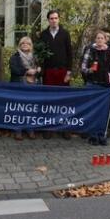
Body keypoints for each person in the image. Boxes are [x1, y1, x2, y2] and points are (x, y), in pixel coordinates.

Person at [39, 9, 74, 140]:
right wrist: (41, 70)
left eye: (56, 18)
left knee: (64, 100)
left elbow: (70, 54)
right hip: (48, 72)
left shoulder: (65, 34)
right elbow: (40, 54)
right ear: (48, 20)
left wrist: (69, 72)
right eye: (51, 18)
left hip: (62, 71)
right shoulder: (43, 35)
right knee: (48, 100)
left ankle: (65, 128)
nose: (54, 20)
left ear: (59, 19)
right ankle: (49, 127)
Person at [81, 31, 110, 145]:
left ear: (105, 40)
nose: (99, 40)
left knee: (104, 111)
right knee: (92, 110)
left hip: (105, 85)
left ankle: (102, 134)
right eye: (97, 38)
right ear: (95, 40)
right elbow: (83, 67)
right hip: (92, 83)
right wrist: (89, 70)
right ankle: (93, 136)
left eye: (102, 38)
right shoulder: (90, 50)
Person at [9, 36, 41, 140]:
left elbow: (40, 70)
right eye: (23, 43)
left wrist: (38, 70)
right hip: (19, 84)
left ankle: (30, 129)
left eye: (27, 43)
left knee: (31, 108)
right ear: (20, 45)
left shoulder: (35, 57)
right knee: (19, 108)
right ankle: (18, 131)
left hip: (33, 84)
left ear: (31, 46)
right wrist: (27, 71)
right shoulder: (15, 57)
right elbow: (14, 70)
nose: (25, 45)